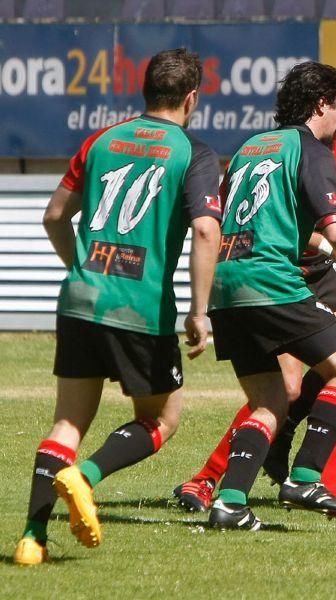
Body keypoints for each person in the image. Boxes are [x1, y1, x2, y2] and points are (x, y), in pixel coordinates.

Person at [13, 48, 222, 566]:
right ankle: (85, 476)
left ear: (144, 91)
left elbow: (55, 217)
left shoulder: (101, 140)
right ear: (192, 98)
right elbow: (204, 228)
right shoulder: (192, 153)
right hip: (141, 305)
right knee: (162, 419)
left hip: (82, 297)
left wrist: (81, 266)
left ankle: (32, 539)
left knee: (67, 423)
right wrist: (200, 311)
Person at [172, 47, 336, 512]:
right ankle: (306, 478)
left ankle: (229, 499)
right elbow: (331, 227)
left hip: (228, 282)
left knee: (277, 396)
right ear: (322, 105)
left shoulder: (251, 147)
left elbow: (263, 220)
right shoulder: (313, 150)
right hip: (277, 277)